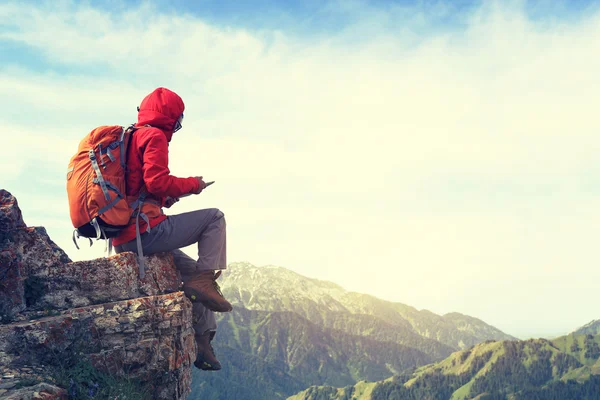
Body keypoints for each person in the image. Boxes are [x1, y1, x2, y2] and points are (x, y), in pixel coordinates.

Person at [112, 87, 232, 371]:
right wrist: (193, 185)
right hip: (145, 233)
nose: (177, 128)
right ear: (170, 118)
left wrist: (167, 198)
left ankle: (202, 344)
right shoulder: (153, 136)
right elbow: (156, 181)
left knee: (193, 275)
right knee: (214, 218)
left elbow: (141, 189)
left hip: (125, 236)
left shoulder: (129, 139)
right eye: (177, 121)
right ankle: (204, 281)